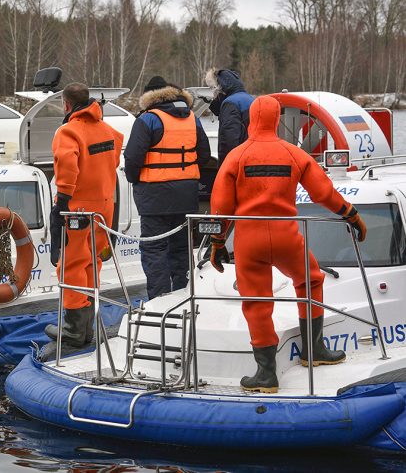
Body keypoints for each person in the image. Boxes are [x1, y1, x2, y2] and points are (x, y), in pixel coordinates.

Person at [209, 95, 367, 393]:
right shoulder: (293, 154)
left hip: (249, 239)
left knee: (257, 302)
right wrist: (352, 214)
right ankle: (314, 350)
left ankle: (266, 374)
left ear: (251, 120)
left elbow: (220, 206)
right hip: (287, 236)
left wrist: (217, 242)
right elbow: (323, 192)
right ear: (278, 118)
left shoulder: (237, 156)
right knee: (311, 280)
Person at [40, 83, 124, 361]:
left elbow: (66, 163)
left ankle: (75, 329)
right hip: (103, 209)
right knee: (92, 263)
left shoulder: (68, 132)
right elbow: (116, 147)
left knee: (71, 265)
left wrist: (62, 201)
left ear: (66, 105)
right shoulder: (106, 130)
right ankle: (87, 327)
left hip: (78, 210)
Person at [124, 76, 212, 300]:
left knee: (155, 251)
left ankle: (159, 304)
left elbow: (133, 159)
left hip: (154, 198)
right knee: (182, 250)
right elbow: (203, 155)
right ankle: (184, 300)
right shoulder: (193, 119)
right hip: (186, 197)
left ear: (149, 97)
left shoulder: (148, 120)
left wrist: (136, 180)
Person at [205, 68, 254, 166]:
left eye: (212, 89)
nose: (213, 95)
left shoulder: (230, 104)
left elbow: (228, 140)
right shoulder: (251, 99)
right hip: (252, 159)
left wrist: (224, 168)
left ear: (219, 88)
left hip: (237, 164)